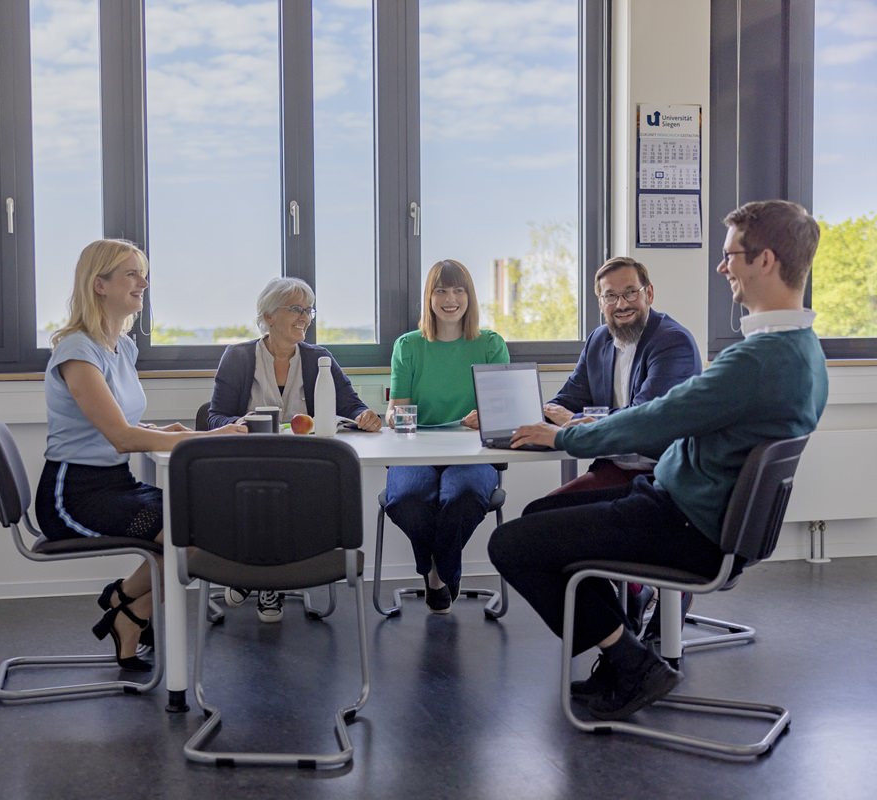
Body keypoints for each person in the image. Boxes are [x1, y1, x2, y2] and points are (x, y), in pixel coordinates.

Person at [488, 200, 828, 721]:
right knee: (541, 522)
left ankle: (633, 664)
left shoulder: (757, 360)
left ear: (765, 259)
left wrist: (561, 440)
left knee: (511, 542)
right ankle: (625, 658)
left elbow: (656, 418)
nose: (722, 267)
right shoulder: (802, 349)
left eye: (730, 254)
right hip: (681, 507)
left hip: (685, 524)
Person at [35, 239, 245, 671]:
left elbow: (126, 425)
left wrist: (165, 431)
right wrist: (210, 437)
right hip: (73, 495)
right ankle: (125, 602)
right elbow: (121, 438)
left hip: (116, 483)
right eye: (131, 274)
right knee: (184, 535)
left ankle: (128, 612)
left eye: (142, 273)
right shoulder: (77, 351)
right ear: (99, 285)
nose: (143, 283)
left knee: (201, 523)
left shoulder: (122, 347)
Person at [208, 276, 381, 621]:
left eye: (309, 310)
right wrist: (239, 423)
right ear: (269, 316)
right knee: (265, 494)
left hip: (303, 467)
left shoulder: (319, 358)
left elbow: (350, 405)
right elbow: (214, 418)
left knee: (288, 495)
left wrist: (365, 416)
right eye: (296, 309)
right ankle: (263, 580)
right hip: (250, 465)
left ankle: (254, 577)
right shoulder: (239, 357)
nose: (305, 317)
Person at [546, 256, 702, 634]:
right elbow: (566, 401)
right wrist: (520, 421)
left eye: (630, 292)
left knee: (585, 527)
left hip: (665, 477)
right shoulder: (599, 340)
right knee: (543, 518)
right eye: (610, 296)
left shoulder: (672, 342)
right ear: (600, 302)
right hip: (616, 469)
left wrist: (572, 423)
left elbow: (641, 421)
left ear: (649, 293)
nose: (622, 304)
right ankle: (630, 598)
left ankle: (662, 601)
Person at [385, 258, 509, 614]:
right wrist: (395, 416)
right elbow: (398, 409)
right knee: (406, 498)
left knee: (465, 495)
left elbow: (503, 410)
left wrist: (485, 416)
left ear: (469, 297)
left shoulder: (490, 344)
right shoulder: (407, 346)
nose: (450, 298)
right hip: (416, 452)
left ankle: (437, 574)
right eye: (441, 290)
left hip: (474, 453)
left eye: (458, 290)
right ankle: (442, 571)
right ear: (429, 297)